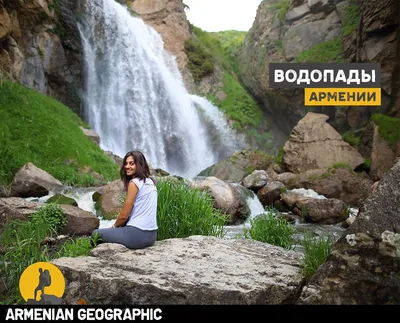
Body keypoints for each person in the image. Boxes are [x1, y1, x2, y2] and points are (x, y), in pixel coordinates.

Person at [91, 151, 158, 249]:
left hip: (137, 235)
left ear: (139, 165)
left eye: (132, 163)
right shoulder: (151, 182)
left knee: (95, 234)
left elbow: (124, 216)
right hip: (152, 236)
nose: (127, 166)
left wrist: (113, 227)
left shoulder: (134, 183)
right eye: (126, 163)